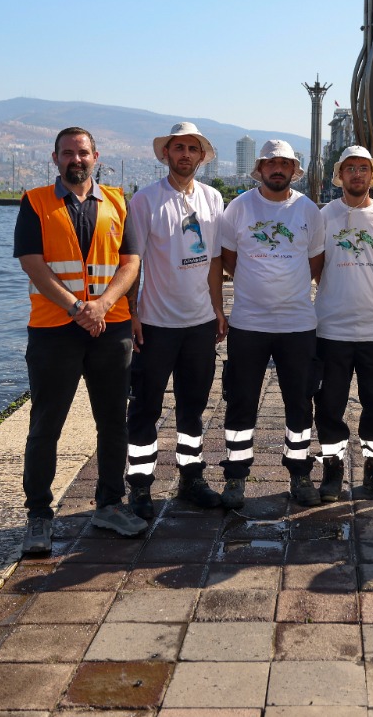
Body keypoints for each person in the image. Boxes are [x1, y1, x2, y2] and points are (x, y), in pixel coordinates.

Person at [14, 127, 145, 555]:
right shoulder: (35, 202)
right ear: (55, 158)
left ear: (96, 157)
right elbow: (32, 263)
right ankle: (38, 515)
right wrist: (77, 308)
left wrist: (104, 305)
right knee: (45, 425)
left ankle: (109, 504)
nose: (76, 159)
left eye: (83, 152)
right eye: (68, 153)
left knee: (113, 422)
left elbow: (131, 262)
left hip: (111, 328)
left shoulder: (118, 202)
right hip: (55, 330)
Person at [123, 123, 227, 519]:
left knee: (193, 407)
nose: (185, 154)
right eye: (178, 148)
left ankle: (191, 477)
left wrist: (218, 309)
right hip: (156, 323)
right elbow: (133, 262)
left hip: (200, 323)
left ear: (201, 157)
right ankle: (141, 485)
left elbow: (215, 260)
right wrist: (132, 313)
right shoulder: (146, 200)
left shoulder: (213, 198)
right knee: (145, 408)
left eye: (192, 149)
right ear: (166, 154)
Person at [218, 140, 325, 509]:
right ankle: (235, 476)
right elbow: (229, 259)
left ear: (294, 170)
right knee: (241, 401)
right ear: (260, 169)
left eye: (285, 163)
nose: (277, 169)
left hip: (297, 323)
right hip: (248, 323)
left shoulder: (309, 210)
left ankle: (299, 472)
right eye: (270, 163)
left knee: (300, 402)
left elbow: (315, 262)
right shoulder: (239, 207)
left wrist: (286, 289)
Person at [312, 145, 373, 502]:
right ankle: (332, 469)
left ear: (372, 176)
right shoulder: (324, 216)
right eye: (350, 168)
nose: (357, 174)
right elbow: (316, 268)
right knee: (330, 403)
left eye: (363, 168)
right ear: (341, 175)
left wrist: (371, 298)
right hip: (331, 328)